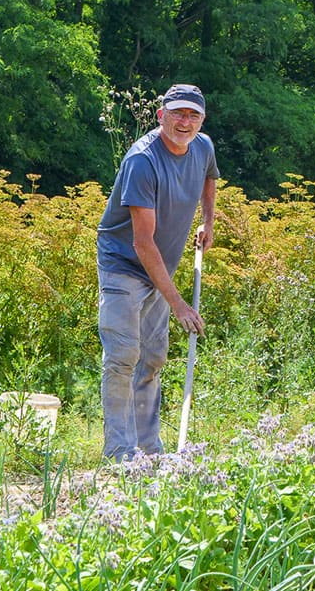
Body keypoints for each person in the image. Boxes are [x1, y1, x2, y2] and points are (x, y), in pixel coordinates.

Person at [96, 84, 219, 460]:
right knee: (124, 355)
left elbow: (209, 176)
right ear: (160, 115)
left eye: (193, 115)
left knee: (153, 358)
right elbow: (142, 242)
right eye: (178, 113)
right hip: (124, 264)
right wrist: (179, 304)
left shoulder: (202, 146)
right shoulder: (142, 161)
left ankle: (149, 450)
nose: (185, 122)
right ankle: (119, 451)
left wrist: (208, 220)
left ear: (202, 119)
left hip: (160, 269)